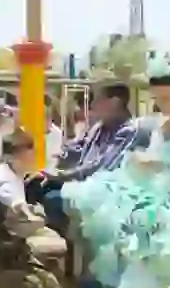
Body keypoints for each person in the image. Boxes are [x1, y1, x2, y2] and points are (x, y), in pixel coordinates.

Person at [59, 57, 170, 288]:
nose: (161, 105)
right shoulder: (160, 125)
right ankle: (92, 278)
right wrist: (141, 160)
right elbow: (153, 154)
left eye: (167, 99)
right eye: (157, 99)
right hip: (146, 184)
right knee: (94, 206)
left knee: (135, 222)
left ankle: (114, 285)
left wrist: (161, 164)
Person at [28, 82, 142, 236]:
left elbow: (102, 165)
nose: (93, 105)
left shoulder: (128, 131)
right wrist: (51, 170)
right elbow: (74, 148)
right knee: (34, 185)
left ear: (115, 102)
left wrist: (63, 175)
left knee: (52, 199)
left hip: (102, 191)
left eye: (97, 100)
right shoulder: (98, 127)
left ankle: (71, 247)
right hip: (79, 183)